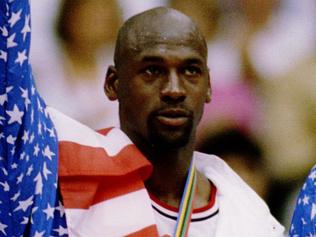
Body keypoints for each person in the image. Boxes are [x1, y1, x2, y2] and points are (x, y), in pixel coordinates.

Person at [1, 1, 284, 236]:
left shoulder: (248, 215)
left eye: (191, 71)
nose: (174, 89)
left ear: (208, 86)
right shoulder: (60, 181)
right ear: (113, 83)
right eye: (152, 71)